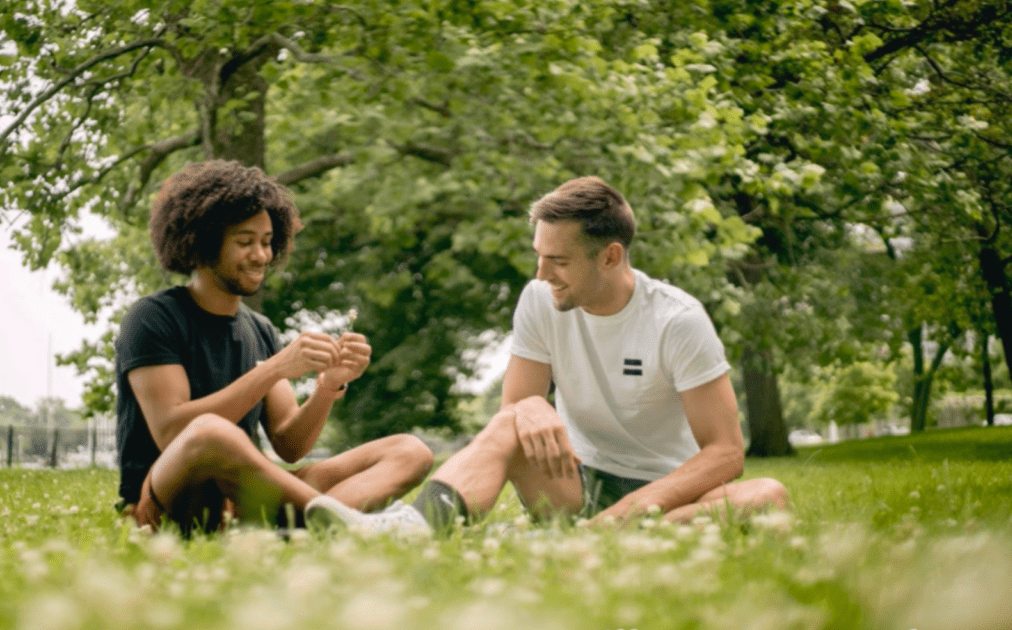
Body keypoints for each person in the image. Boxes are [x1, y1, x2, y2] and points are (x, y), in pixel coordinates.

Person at [309, 177, 788, 534]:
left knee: (768, 496)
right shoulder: (539, 299)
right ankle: (413, 528)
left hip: (669, 489)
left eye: (558, 261)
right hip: (575, 482)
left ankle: (611, 535)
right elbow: (512, 414)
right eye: (539, 255)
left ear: (610, 257)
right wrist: (531, 407)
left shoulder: (677, 320)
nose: (541, 274)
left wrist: (626, 511)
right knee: (508, 425)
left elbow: (725, 452)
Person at [115, 159, 433, 536]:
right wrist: (275, 368)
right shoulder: (152, 318)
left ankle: (314, 523)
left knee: (410, 451)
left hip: (240, 504)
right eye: (245, 242)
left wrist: (328, 386)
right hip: (168, 502)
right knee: (210, 433)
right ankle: (347, 523)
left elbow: (289, 443)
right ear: (201, 244)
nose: (261, 256)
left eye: (267, 242)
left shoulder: (259, 329)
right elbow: (172, 432)